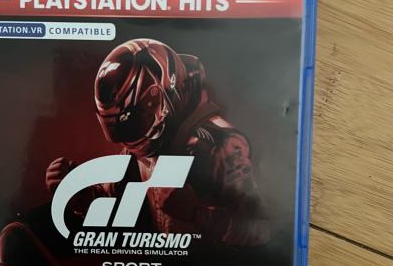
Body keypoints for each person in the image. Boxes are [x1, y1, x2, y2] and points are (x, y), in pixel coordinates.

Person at [46, 38, 269, 247]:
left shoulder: (223, 146)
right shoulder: (141, 148)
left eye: (134, 122)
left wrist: (197, 215)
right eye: (120, 128)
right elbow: (120, 199)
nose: (128, 139)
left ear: (162, 97)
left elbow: (263, 230)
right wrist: (81, 195)